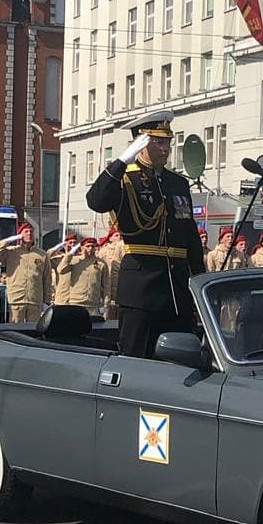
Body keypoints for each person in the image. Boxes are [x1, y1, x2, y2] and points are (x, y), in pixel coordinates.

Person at [85, 111, 204, 358]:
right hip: (142, 289)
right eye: (158, 142)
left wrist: (200, 282)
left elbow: (190, 235)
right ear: (141, 144)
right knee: (137, 360)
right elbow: (96, 201)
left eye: (167, 142)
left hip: (177, 289)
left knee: (182, 359)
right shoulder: (125, 178)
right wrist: (120, 162)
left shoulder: (177, 183)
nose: (166, 149)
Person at [0, 223, 52, 323]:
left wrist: (46, 301)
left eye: (31, 231)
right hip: (17, 298)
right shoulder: (11, 252)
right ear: (20, 235)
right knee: (15, 328)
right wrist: (7, 241)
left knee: (32, 329)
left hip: (35, 299)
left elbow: (47, 279)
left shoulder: (42, 255)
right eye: (26, 231)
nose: (29, 233)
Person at [60, 237, 110, 317]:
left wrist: (106, 305)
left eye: (93, 246)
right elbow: (61, 270)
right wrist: (69, 254)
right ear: (82, 247)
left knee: (93, 328)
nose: (90, 248)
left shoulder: (101, 263)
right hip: (76, 303)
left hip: (93, 305)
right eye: (88, 246)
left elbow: (106, 286)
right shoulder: (75, 260)